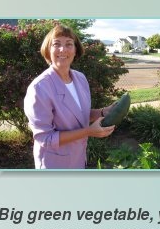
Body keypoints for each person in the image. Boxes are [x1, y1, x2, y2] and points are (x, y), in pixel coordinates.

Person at [24, 24, 115, 169]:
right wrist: (89, 131)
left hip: (78, 158)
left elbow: (79, 115)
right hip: (54, 163)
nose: (63, 49)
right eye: (56, 44)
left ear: (75, 50)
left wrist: (104, 112)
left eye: (69, 44)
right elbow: (45, 138)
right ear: (48, 50)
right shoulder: (39, 88)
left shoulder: (80, 78)